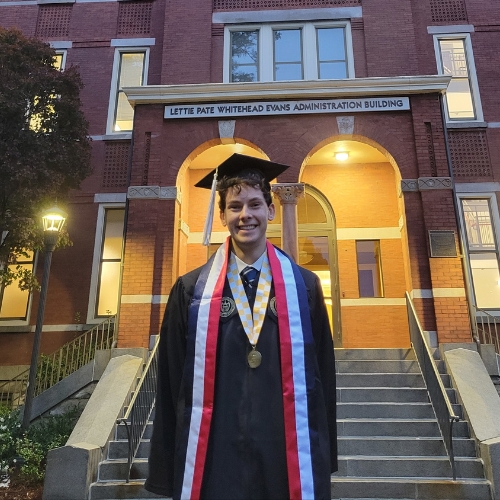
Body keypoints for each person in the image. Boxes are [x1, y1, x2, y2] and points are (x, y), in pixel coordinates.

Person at [145, 154, 337, 500]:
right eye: (234, 207)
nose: (245, 215)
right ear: (222, 216)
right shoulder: (190, 292)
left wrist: (324, 457)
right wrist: (166, 469)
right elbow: (172, 384)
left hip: (284, 456)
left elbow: (323, 377)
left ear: (271, 210)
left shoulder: (304, 288)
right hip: (215, 459)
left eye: (254, 204)